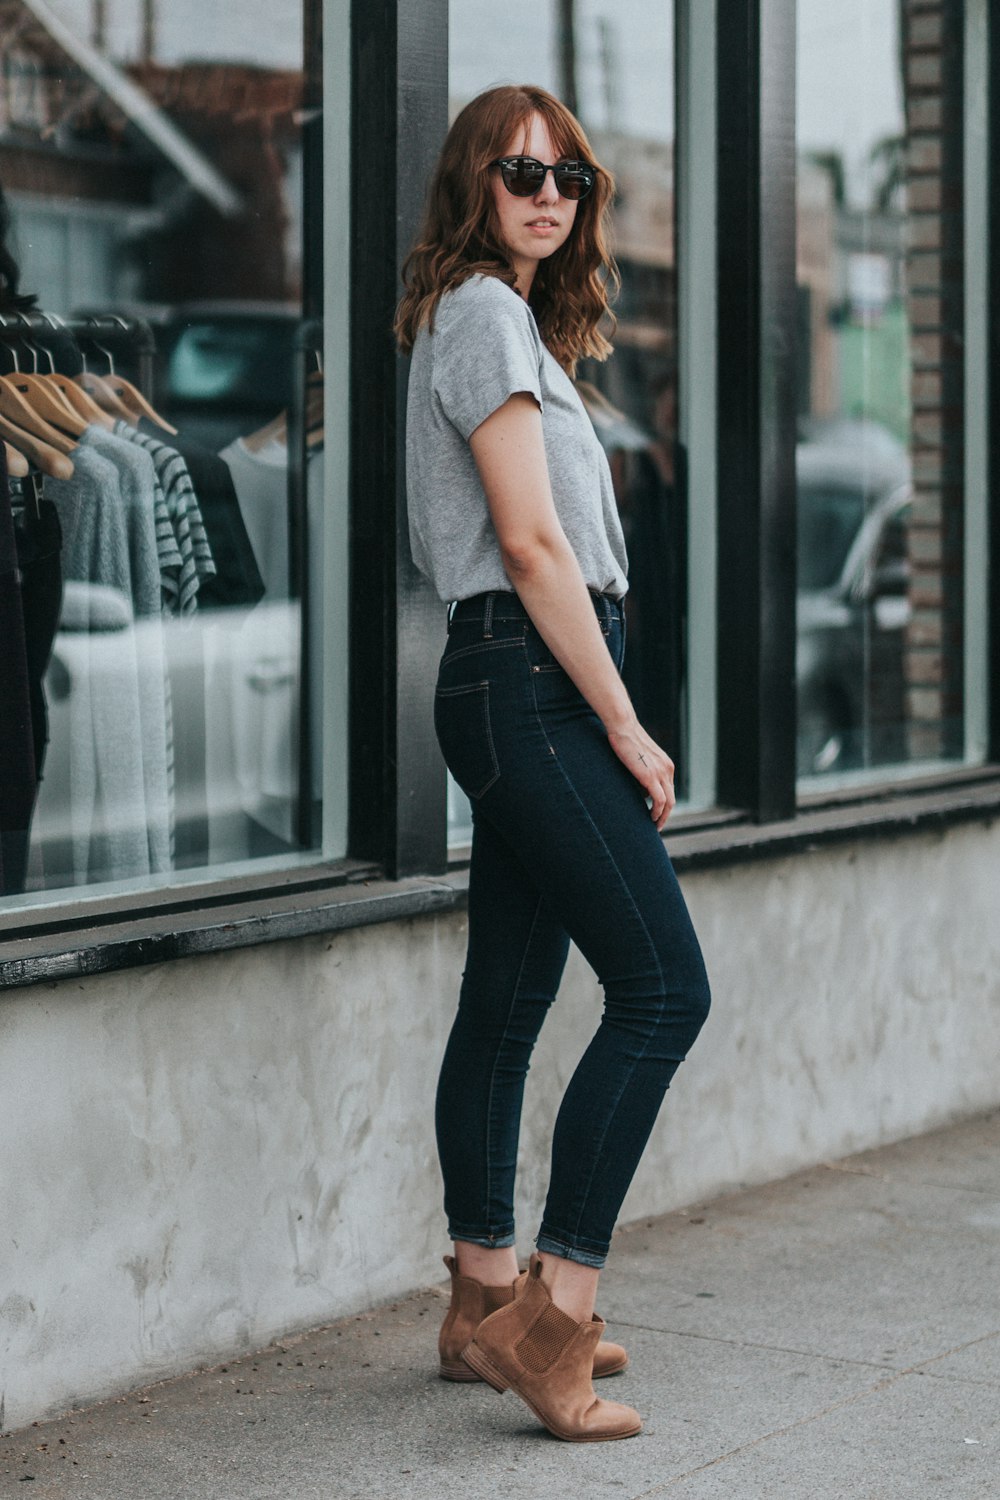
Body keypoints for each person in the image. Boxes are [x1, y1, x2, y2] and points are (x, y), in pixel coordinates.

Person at [395, 84, 711, 1443]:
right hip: (531, 681)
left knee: (511, 997)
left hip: (510, 681)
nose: (548, 191)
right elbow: (530, 552)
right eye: (519, 169)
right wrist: (628, 724)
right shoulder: (480, 312)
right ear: (476, 182)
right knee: (661, 989)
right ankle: (552, 1320)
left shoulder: (504, 323)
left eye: (569, 172)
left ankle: (479, 1306)